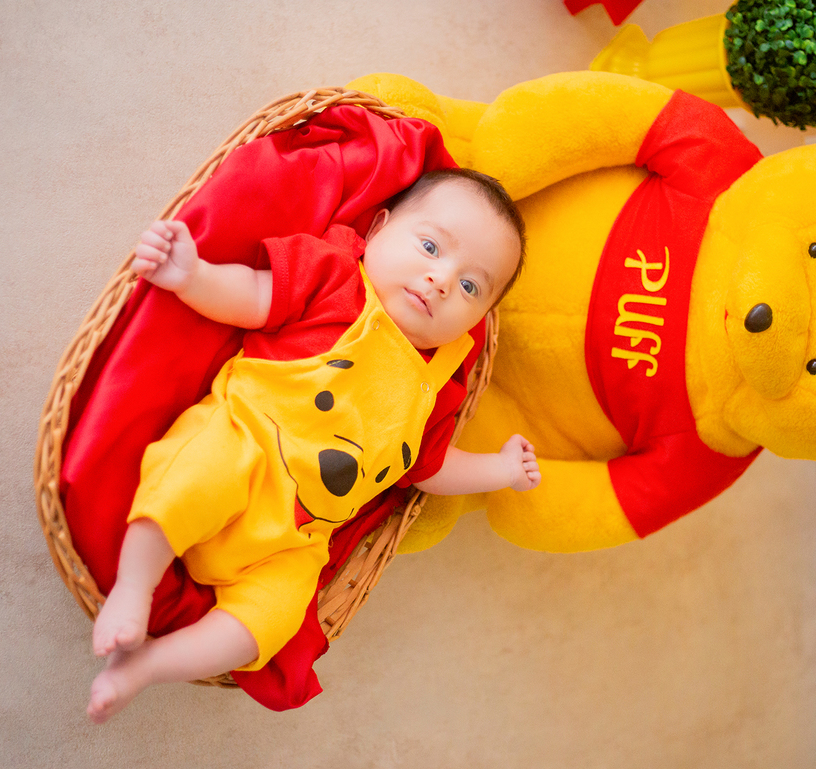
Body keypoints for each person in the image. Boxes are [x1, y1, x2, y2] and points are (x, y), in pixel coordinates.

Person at [87, 169, 540, 723]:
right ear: (377, 229)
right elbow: (254, 297)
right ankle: (133, 588)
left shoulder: (441, 384)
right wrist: (192, 276)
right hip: (245, 449)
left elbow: (429, 467)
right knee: (189, 476)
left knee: (272, 620)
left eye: (471, 287)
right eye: (429, 247)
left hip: (297, 539)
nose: (442, 279)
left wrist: (501, 470)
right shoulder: (334, 276)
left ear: (478, 319)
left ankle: (149, 665)